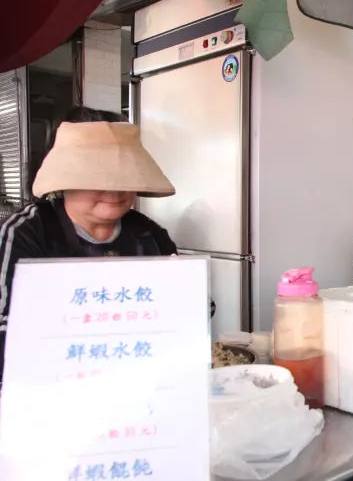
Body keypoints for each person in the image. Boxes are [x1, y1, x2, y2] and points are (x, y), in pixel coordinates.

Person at [0, 107, 214, 386]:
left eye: (124, 175)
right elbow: (6, 328)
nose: (114, 190)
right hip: (51, 388)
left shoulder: (149, 235)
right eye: (96, 176)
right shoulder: (27, 232)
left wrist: (187, 291)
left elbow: (195, 315)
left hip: (138, 388)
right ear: (63, 178)